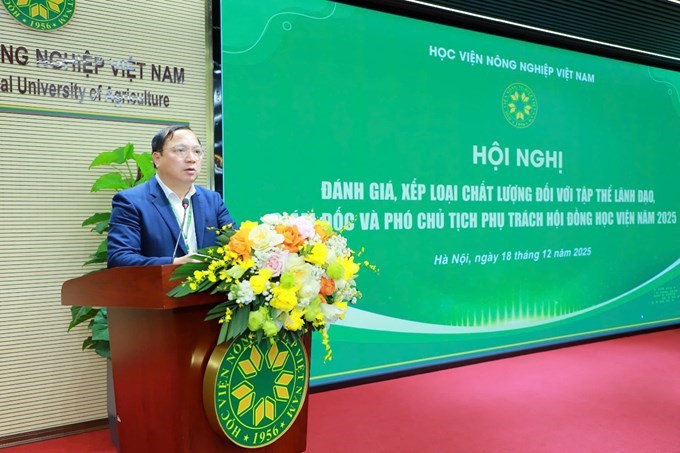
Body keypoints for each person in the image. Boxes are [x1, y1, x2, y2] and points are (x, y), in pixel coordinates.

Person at [107, 125, 235, 268]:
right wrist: (174, 263)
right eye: (180, 150)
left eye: (197, 151)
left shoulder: (212, 200)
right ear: (157, 159)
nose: (192, 159)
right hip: (156, 283)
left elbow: (236, 243)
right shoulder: (131, 201)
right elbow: (120, 259)